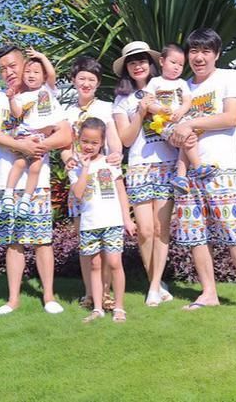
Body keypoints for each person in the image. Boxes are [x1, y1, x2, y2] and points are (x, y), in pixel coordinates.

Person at [169, 28, 236, 319]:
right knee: (195, 233)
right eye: (194, 51)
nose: (199, 57)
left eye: (205, 51)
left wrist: (190, 124)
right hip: (187, 173)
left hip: (220, 168)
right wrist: (177, 133)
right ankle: (209, 293)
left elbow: (231, 117)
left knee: (232, 230)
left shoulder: (230, 77)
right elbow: (173, 129)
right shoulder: (182, 88)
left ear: (216, 54)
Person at [0, 45, 72, 316]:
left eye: (13, 66)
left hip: (36, 181)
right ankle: (13, 300)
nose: (8, 72)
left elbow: (65, 134)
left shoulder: (43, 95)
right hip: (3, 181)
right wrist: (22, 146)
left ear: (26, 65)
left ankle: (48, 296)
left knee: (42, 240)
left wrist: (38, 146)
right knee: (13, 241)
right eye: (3, 68)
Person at [112, 41, 177, 307]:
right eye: (132, 62)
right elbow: (126, 140)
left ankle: (154, 286)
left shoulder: (167, 88)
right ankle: (156, 284)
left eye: (142, 61)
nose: (138, 66)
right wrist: (141, 111)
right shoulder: (122, 100)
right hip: (139, 167)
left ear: (151, 64)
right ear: (126, 68)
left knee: (161, 228)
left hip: (166, 164)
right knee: (145, 231)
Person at [60, 56, 123, 310]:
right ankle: (90, 293)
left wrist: (116, 155)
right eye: (82, 78)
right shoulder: (67, 112)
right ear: (74, 80)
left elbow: (114, 141)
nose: (86, 83)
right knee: (86, 242)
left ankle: (106, 292)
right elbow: (65, 146)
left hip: (102, 181)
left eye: (91, 79)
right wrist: (68, 160)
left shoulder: (106, 107)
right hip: (79, 179)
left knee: (107, 244)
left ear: (98, 83)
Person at [68, 118, 136, 322]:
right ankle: (97, 308)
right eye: (85, 141)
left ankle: (119, 307)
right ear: (78, 140)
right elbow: (78, 194)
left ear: (102, 142)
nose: (89, 146)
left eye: (94, 142)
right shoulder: (74, 167)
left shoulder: (110, 163)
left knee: (115, 263)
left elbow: (121, 193)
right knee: (95, 266)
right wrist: (85, 168)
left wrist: (127, 219)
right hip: (89, 224)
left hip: (112, 222)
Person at [2, 48, 62, 216]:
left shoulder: (48, 89)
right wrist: (11, 99)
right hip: (26, 134)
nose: (31, 75)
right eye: (27, 72)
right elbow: (17, 114)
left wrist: (41, 56)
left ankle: (26, 198)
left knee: (36, 167)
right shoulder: (22, 96)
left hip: (41, 137)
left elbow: (52, 73)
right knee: (20, 163)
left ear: (43, 76)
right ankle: (8, 193)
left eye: (36, 72)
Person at [143, 43, 208, 194]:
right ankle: (198, 167)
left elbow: (187, 101)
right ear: (162, 61)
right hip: (164, 123)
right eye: (173, 62)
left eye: (181, 65)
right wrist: (160, 109)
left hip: (181, 119)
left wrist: (181, 111)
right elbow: (148, 104)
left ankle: (181, 177)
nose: (177, 67)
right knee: (187, 139)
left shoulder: (182, 83)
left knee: (189, 137)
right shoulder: (155, 82)